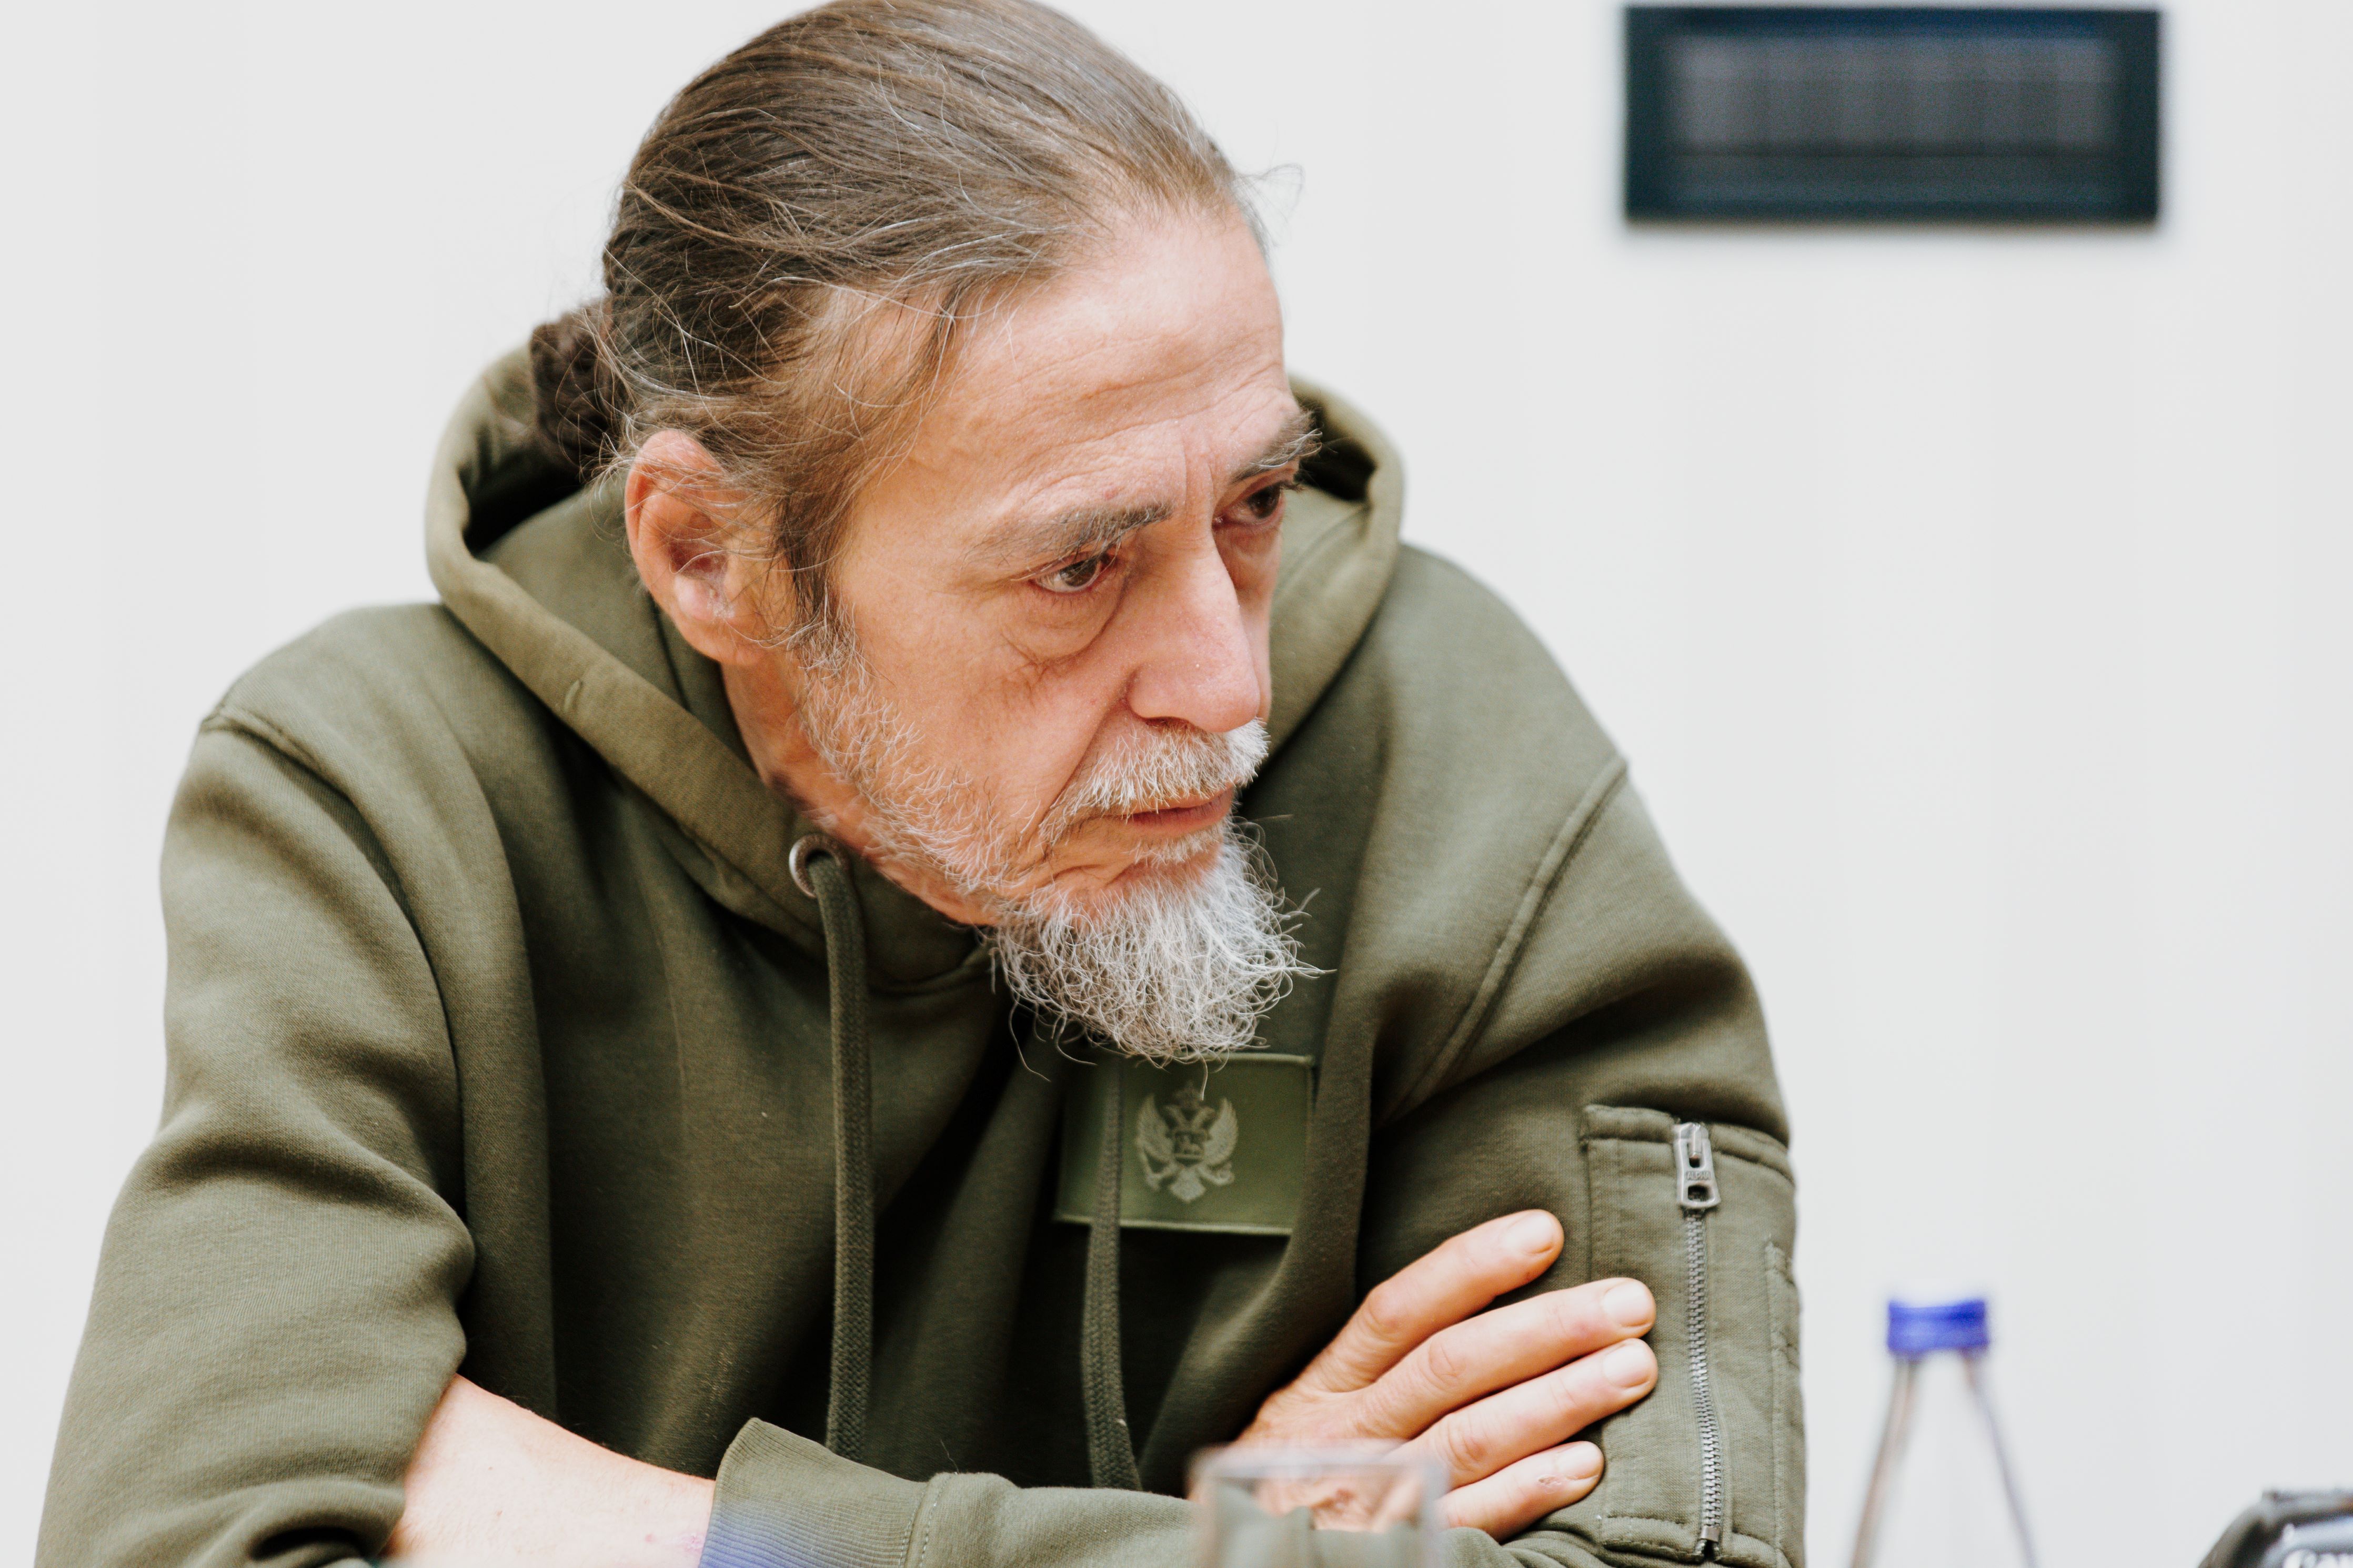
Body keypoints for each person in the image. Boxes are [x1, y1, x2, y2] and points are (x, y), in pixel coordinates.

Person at [37, 3, 1801, 1565]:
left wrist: (689, 1541)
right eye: (1080, 566)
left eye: (1256, 506)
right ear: (713, 558)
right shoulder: (376, 798)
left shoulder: (1444, 740)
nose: (1229, 689)